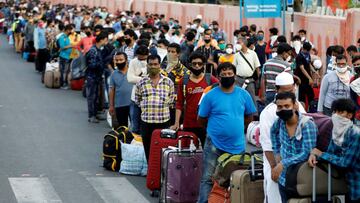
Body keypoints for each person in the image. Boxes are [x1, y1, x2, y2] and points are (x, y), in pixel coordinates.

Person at [197, 62, 257, 203]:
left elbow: (249, 116)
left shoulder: (244, 94)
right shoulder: (210, 95)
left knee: (234, 179)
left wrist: (237, 130)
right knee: (207, 178)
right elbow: (201, 119)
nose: (227, 76)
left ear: (235, 76)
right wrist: (214, 131)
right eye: (223, 74)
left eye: (230, 74)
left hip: (237, 146)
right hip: (214, 144)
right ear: (218, 77)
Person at [260, 72, 306, 203]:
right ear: (277, 90)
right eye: (285, 91)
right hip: (275, 163)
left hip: (297, 163)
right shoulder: (268, 113)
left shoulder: (299, 106)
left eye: (291, 90)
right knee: (276, 198)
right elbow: (267, 144)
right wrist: (275, 167)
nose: (289, 94)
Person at [308, 98, 360, 203]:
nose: (336, 115)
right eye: (334, 112)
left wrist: (321, 154)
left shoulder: (355, 134)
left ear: (349, 115)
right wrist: (314, 154)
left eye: (340, 112)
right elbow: (330, 153)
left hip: (357, 186)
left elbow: (345, 162)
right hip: (347, 185)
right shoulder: (336, 132)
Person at [270, 92, 317, 203]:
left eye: (287, 106)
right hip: (283, 179)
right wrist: (276, 152)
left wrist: (283, 163)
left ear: (295, 105)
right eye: (279, 107)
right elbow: (273, 132)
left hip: (301, 180)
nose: (283, 109)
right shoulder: (280, 122)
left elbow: (307, 153)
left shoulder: (307, 125)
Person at [170, 52, 218, 146]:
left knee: (208, 153)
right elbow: (179, 103)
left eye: (200, 64)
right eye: (194, 63)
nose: (197, 66)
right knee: (188, 154)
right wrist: (176, 123)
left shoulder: (210, 79)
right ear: (190, 65)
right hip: (189, 124)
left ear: (203, 65)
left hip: (206, 124)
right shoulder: (183, 81)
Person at [135, 55, 175, 162]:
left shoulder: (168, 82)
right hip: (146, 122)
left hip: (164, 122)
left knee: (163, 150)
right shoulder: (141, 82)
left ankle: (161, 175)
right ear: (147, 65)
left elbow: (172, 102)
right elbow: (137, 100)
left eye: (156, 64)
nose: (153, 66)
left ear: (160, 65)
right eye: (151, 64)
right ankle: (151, 174)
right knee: (148, 150)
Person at [85, 32, 108, 123]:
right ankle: (91, 116)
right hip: (92, 77)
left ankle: (95, 113)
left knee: (97, 97)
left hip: (97, 77)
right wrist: (101, 64)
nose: (107, 42)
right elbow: (91, 65)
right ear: (101, 40)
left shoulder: (99, 50)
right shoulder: (93, 50)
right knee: (91, 96)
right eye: (106, 40)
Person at [127, 45, 149, 134]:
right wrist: (145, 79)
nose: (141, 61)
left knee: (145, 127)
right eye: (139, 59)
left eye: (143, 59)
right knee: (135, 126)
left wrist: (137, 78)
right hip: (135, 97)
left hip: (148, 98)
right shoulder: (133, 62)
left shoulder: (152, 62)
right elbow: (130, 79)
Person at [233, 36, 261, 105]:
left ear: (244, 43)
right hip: (238, 80)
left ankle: (254, 114)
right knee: (237, 97)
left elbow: (257, 67)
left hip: (250, 80)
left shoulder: (253, 54)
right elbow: (233, 67)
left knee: (251, 98)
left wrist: (258, 80)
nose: (237, 44)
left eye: (239, 43)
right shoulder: (236, 55)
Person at [109, 52, 132, 128]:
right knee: (122, 128)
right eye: (117, 60)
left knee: (135, 128)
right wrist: (111, 106)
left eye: (121, 60)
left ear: (126, 60)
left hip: (133, 105)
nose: (119, 62)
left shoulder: (133, 72)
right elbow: (112, 90)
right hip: (120, 105)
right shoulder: (113, 74)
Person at [294, 42, 314, 109]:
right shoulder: (299, 56)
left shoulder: (308, 55)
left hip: (308, 79)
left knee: (311, 95)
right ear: (303, 49)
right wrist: (309, 78)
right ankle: (302, 110)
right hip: (301, 79)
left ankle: (311, 109)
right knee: (302, 97)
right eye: (306, 50)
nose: (308, 52)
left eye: (309, 50)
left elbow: (309, 64)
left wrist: (315, 72)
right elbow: (302, 68)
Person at [58, 24, 73, 89]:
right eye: (70, 30)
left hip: (68, 56)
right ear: (67, 30)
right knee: (63, 71)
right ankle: (63, 84)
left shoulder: (67, 37)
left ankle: (64, 83)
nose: (71, 31)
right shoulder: (62, 37)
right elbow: (62, 47)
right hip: (63, 56)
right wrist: (70, 46)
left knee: (66, 71)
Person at [350, 55, 360, 126]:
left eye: (358, 64)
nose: (357, 67)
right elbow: (353, 98)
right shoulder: (353, 80)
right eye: (355, 65)